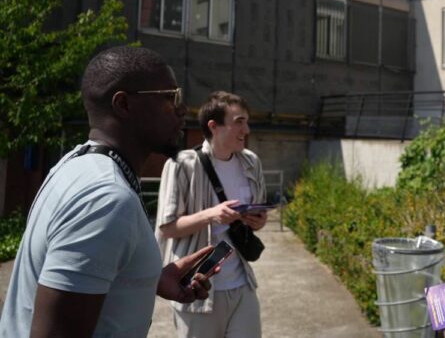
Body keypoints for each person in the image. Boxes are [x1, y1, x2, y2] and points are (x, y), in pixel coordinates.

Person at [0, 46, 216, 338]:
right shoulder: (105, 198)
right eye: (169, 97)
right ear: (124, 105)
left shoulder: (76, 162)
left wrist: (148, 279)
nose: (181, 108)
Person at [156, 90, 268, 338]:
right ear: (214, 126)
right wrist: (211, 215)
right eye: (239, 122)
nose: (246, 130)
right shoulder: (181, 164)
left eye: (247, 122)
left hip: (242, 284)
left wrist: (257, 220)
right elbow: (167, 227)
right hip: (197, 289)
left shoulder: (251, 162)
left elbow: (259, 220)